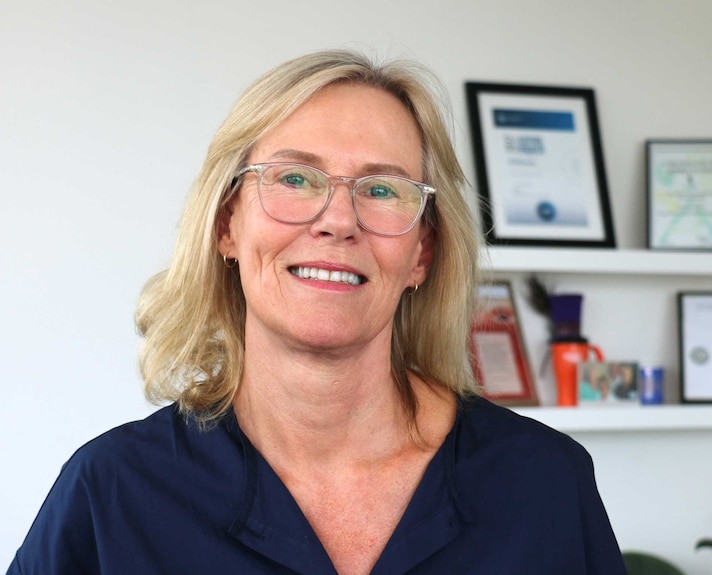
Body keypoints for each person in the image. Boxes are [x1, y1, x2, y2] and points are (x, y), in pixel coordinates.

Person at [7, 49, 626, 574]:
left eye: (382, 190)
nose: (337, 221)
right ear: (226, 225)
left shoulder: (545, 484)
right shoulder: (111, 493)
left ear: (422, 253)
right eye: (296, 179)